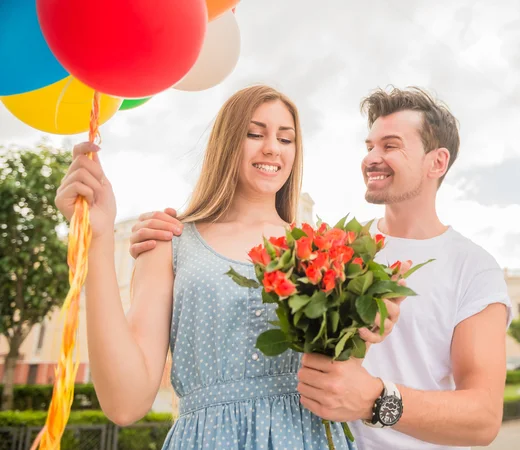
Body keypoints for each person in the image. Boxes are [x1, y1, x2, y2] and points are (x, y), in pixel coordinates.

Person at [130, 86, 513, 450]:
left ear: (437, 162)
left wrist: (375, 401)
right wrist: (166, 238)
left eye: (390, 146)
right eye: (369, 146)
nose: (371, 157)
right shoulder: (324, 248)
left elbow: (483, 417)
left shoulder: (473, 269)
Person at [55, 85, 406, 450]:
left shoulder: (324, 251)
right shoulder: (169, 241)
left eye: (286, 139)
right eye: (254, 133)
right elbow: (125, 404)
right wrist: (95, 239)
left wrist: (368, 318)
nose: (271, 147)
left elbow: (346, 378)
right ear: (225, 142)